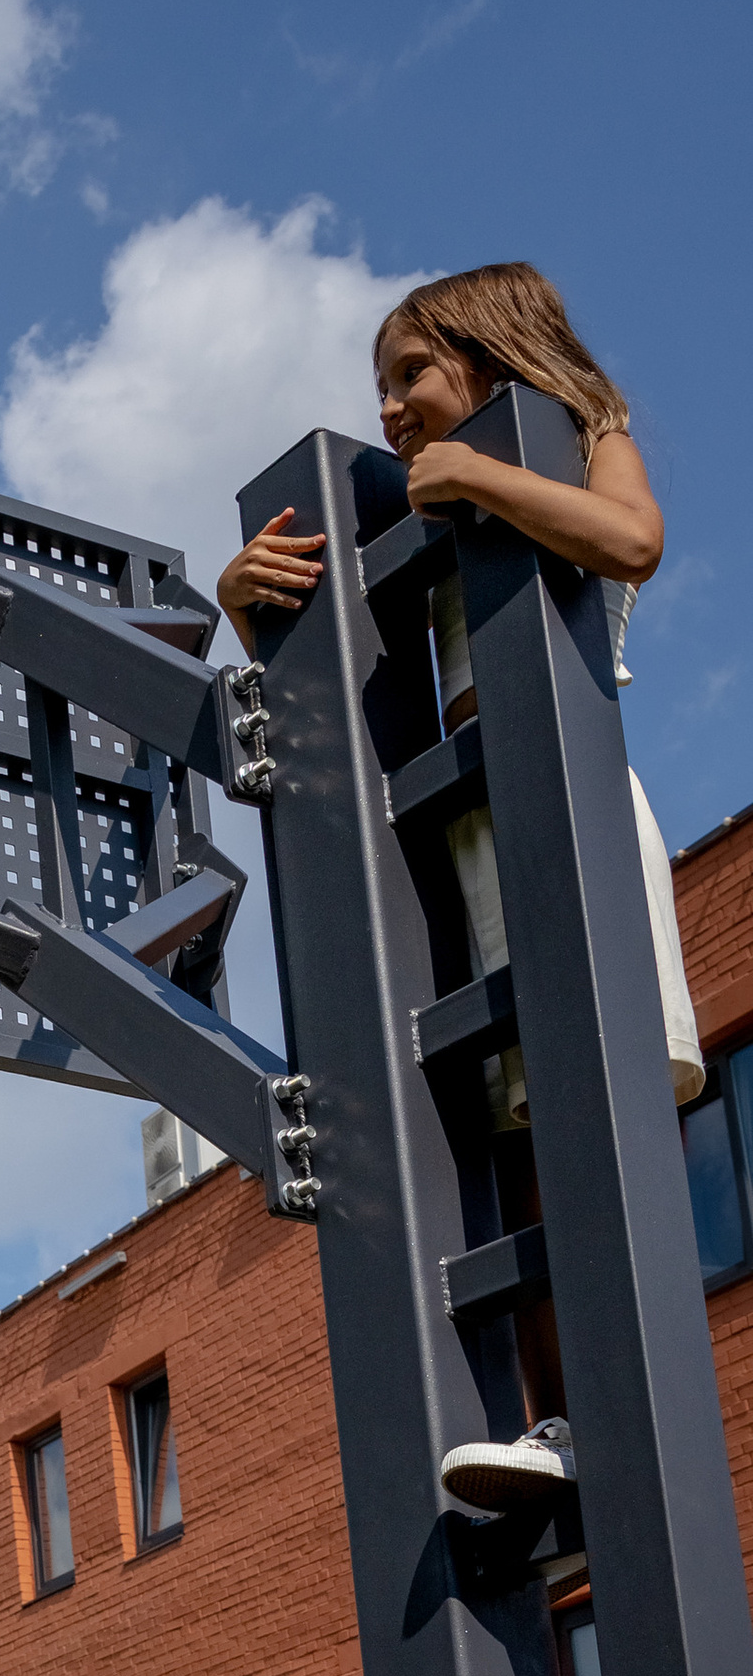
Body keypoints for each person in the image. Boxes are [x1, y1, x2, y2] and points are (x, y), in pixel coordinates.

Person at [217, 261, 696, 1517]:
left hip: (565, 813)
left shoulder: (579, 440)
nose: (387, 410)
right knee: (500, 1132)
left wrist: (478, 474)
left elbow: (632, 540)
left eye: (409, 377)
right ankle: (547, 1417)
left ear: (487, 356)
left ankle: (600, 1411)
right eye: (377, 387)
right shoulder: (405, 518)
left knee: (588, 1107)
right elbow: (316, 676)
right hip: (451, 831)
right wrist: (241, 606)